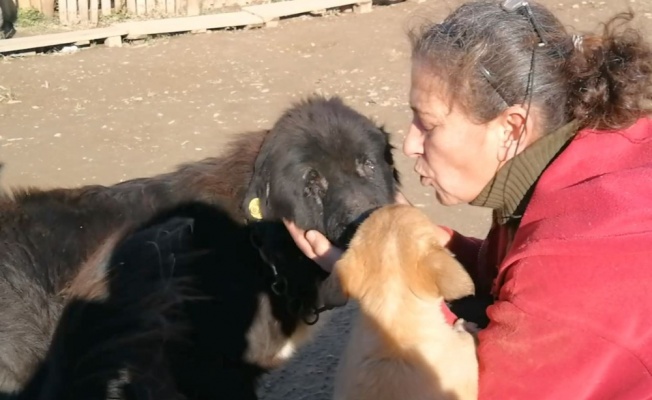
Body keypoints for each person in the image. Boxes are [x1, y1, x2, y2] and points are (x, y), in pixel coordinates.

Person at [284, 0, 652, 398]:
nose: (409, 144)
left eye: (427, 124)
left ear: (512, 128)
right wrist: (418, 246)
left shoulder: (574, 275)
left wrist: (395, 288)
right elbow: (510, 279)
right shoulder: (575, 164)